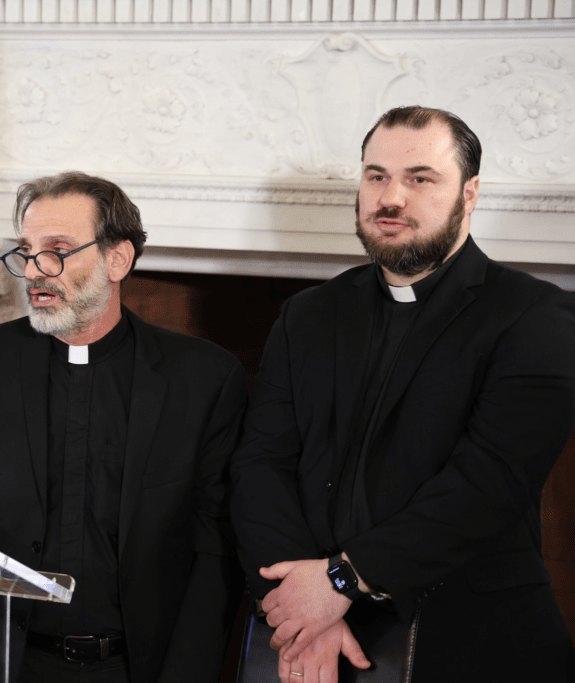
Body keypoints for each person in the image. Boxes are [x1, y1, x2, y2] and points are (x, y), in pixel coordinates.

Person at [231, 105, 575, 683]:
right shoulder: (307, 315)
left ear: (469, 193)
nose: (391, 198)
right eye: (376, 176)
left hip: (475, 640)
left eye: (420, 178)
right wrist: (296, 606)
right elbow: (260, 462)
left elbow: (487, 484)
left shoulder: (536, 316)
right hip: (309, 634)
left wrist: (339, 581)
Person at [0, 171, 247, 683]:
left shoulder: (201, 379)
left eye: (58, 250)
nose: (35, 272)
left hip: (137, 668)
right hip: (11, 661)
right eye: (27, 250)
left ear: (118, 259)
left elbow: (215, 551)